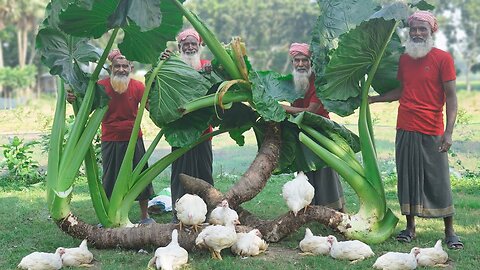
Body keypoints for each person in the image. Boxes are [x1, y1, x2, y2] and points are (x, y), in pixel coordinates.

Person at [369, 11, 463, 249]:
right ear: (409, 32)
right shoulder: (404, 59)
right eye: (414, 29)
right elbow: (402, 91)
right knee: (407, 178)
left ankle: (450, 231)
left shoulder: (443, 59)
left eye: (423, 29)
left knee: (438, 179)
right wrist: (373, 99)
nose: (418, 33)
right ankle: (410, 228)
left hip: (432, 128)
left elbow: (452, 99)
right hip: (405, 127)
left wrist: (449, 132)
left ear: (432, 31)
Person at [67, 49, 155, 224]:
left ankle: (145, 216)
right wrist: (72, 98)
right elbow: (86, 107)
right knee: (110, 177)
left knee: (140, 174)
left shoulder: (138, 87)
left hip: (133, 137)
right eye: (117, 66)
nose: (121, 69)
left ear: (131, 67)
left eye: (125, 66)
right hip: (111, 138)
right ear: (111, 68)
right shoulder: (101, 86)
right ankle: (108, 215)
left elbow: (150, 107)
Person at [281, 43, 345, 212]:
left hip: (320, 132)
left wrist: (284, 108)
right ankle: (310, 210)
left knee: (325, 172)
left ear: (311, 62)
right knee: (305, 173)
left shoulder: (319, 82)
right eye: (297, 60)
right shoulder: (292, 81)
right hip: (301, 133)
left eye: (305, 60)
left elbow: (311, 111)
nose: (301, 64)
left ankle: (335, 210)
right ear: (292, 62)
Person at [162, 28, 214, 222]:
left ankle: (207, 212)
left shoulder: (208, 66)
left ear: (199, 46)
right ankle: (180, 213)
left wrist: (211, 74)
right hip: (180, 130)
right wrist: (163, 61)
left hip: (203, 131)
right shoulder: (173, 65)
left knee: (204, 172)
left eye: (194, 43)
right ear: (180, 47)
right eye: (186, 44)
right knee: (180, 173)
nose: (190, 47)